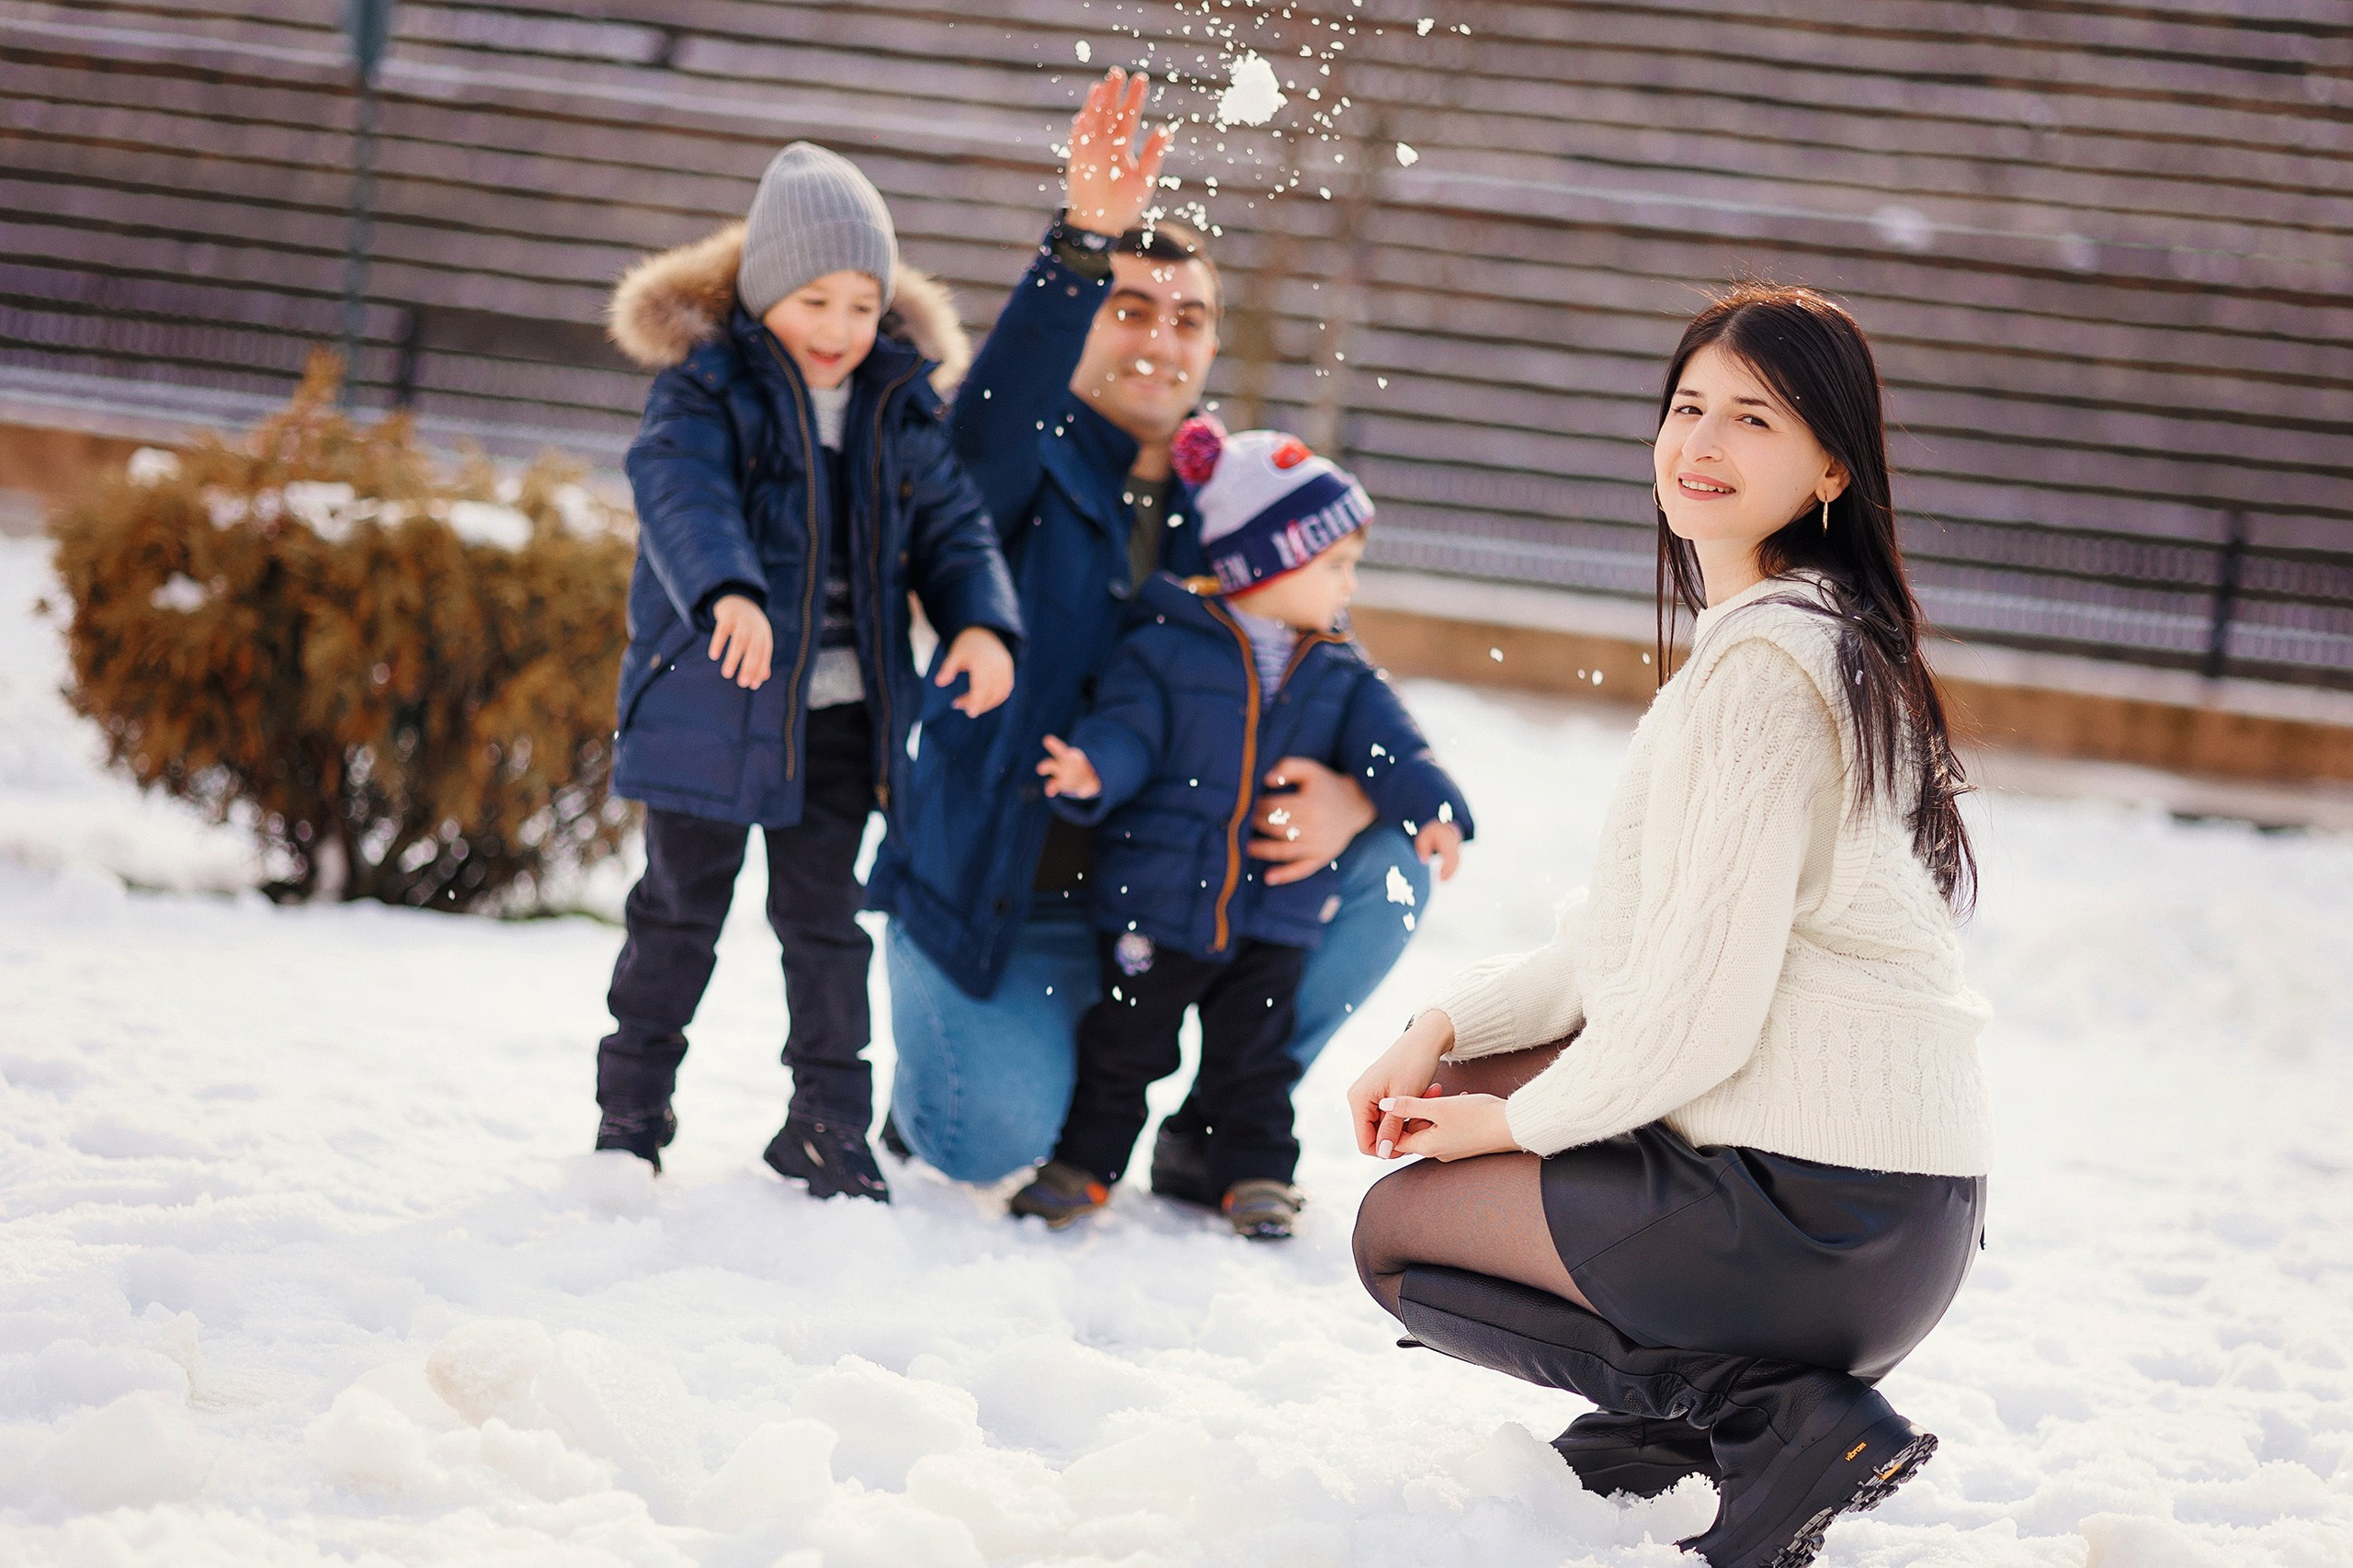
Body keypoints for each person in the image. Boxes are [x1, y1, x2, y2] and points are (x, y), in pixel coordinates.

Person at [1345, 284, 1993, 1568]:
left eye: (1753, 416)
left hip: (1821, 1216)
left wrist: (1507, 1123)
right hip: (1888, 1217)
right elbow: (1625, 945)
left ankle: (1766, 1411)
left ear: (1829, 469)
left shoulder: (1769, 673)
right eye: (1688, 405)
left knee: (1401, 1232)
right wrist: (1440, 1027)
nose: (1701, 441)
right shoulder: (1810, 641)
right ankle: (1694, 1418)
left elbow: (1697, 1007)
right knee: (1473, 1080)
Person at [866, 68, 1438, 1191]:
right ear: (1083, 316)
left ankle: (1221, 1126)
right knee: (989, 1139)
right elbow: (987, 427)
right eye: (1129, 307)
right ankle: (969, 1072)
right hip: (1007, 892)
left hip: (1169, 894)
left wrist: (1360, 793)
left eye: (1188, 318)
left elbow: (1323, 670)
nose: (1160, 339)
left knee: (1389, 866)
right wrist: (1084, 239)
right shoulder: (1009, 472)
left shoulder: (1234, 509)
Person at [594, 142, 1022, 1202]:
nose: (837, 330)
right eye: (812, 299)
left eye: (863, 304)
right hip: (714, 701)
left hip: (842, 715)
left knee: (825, 925)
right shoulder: (707, 389)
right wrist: (727, 590)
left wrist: (982, 623)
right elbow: (679, 495)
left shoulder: (896, 403)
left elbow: (955, 530)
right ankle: (629, 1114)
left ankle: (826, 1121)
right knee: (677, 913)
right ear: (761, 293)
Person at [1005, 420, 1472, 1239]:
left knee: (1254, 1057)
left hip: (1271, 914)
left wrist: (1431, 805)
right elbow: (1128, 729)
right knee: (1122, 1046)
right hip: (1158, 904)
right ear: (1271, 563)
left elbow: (1394, 745)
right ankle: (1084, 1164)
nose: (1347, 587)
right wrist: (1093, 769)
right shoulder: (1167, 650)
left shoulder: (1337, 667)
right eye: (1335, 566)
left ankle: (1252, 1172)